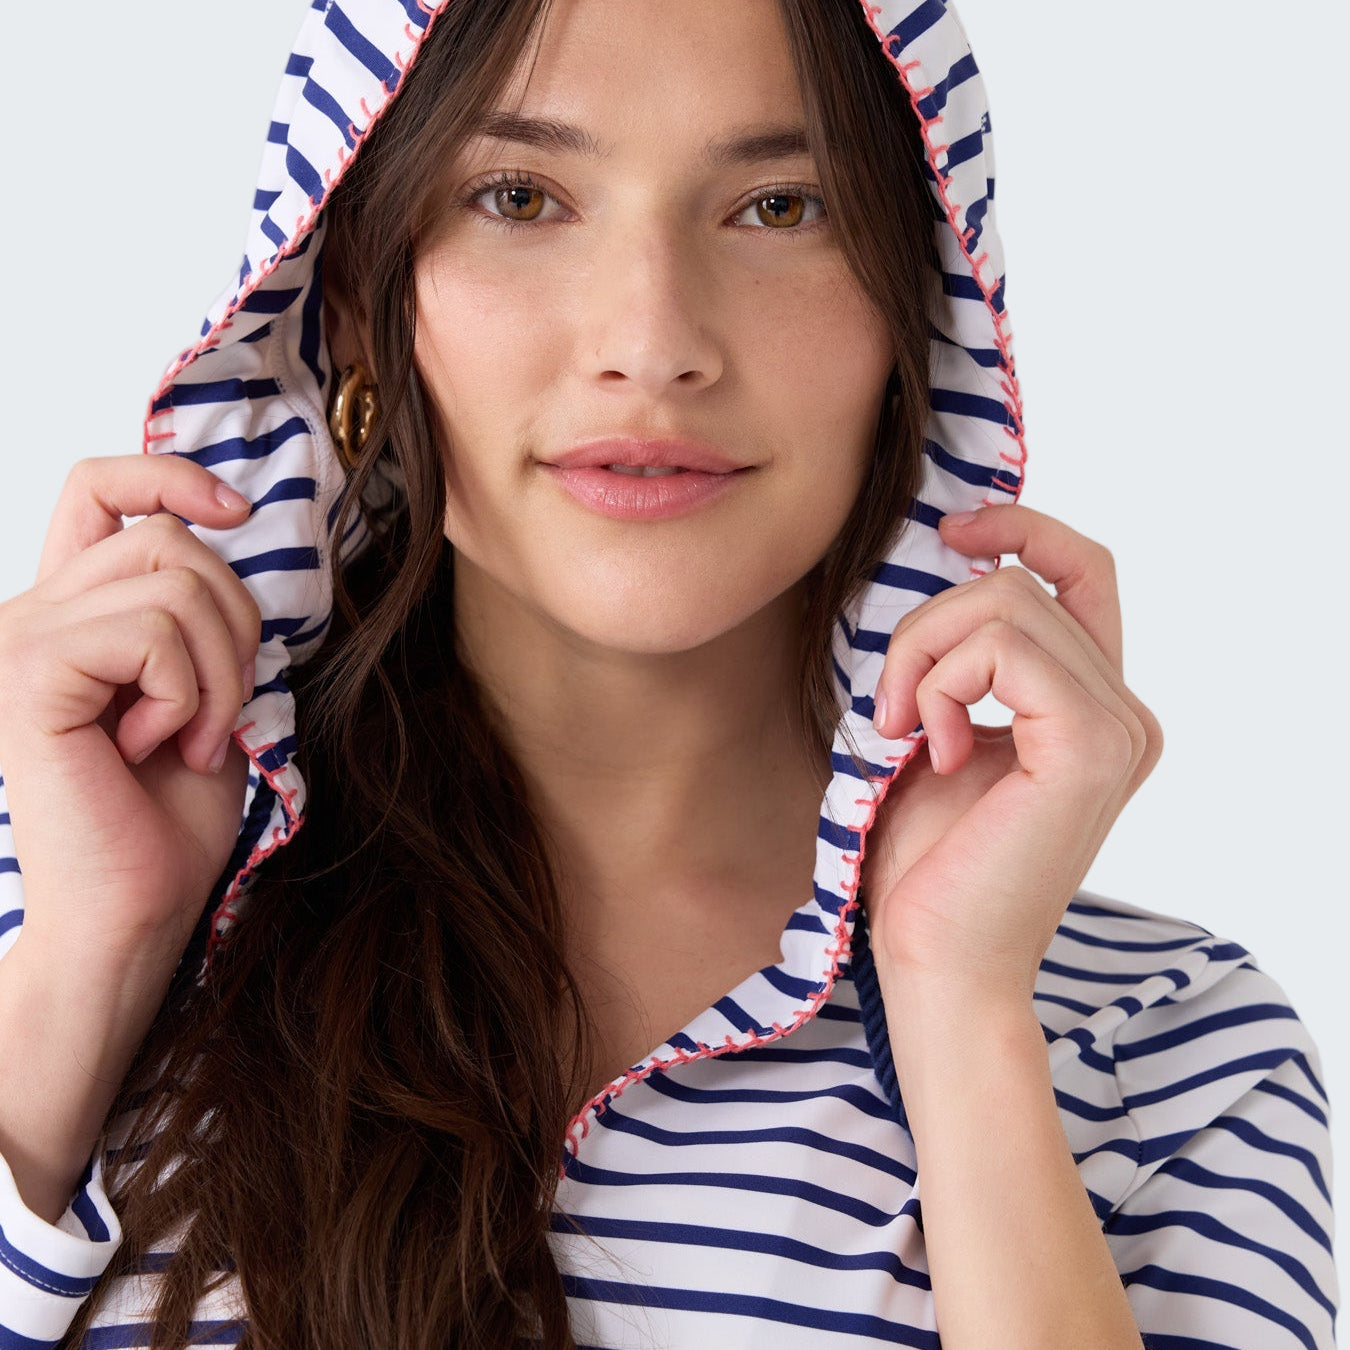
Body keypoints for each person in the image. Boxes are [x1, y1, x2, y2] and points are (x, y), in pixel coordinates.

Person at [0, 0, 1337, 1346]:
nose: (650, 340)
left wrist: (959, 1013)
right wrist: (89, 969)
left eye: (778, 207)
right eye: (517, 195)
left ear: (921, 309)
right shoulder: (64, 893)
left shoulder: (1173, 1051)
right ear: (355, 297)